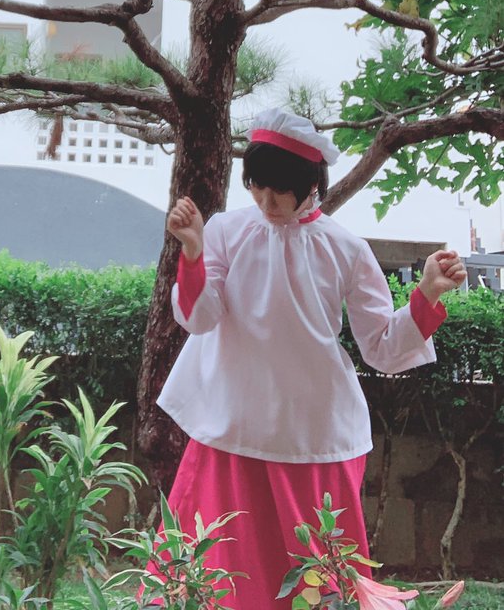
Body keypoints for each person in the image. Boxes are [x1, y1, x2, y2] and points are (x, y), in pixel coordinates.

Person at [153, 107, 466, 609]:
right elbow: (200, 317)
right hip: (231, 425)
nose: (266, 202)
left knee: (320, 576)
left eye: (280, 190)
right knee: (211, 570)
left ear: (312, 184)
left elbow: (382, 346)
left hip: (313, 432)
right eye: (256, 187)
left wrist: (426, 293)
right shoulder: (227, 230)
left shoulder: (346, 249)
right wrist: (192, 253)